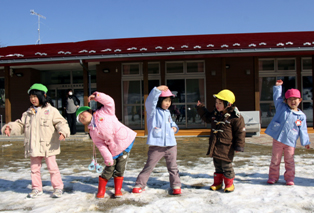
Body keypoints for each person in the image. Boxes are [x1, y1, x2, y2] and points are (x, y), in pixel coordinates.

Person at [1, 83, 70, 198]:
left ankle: (58, 187)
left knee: (52, 168)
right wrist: (10, 127)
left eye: (35, 96)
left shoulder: (51, 110)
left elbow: (61, 122)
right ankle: (37, 188)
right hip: (33, 145)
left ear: (43, 96)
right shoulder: (28, 113)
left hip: (48, 145)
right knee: (34, 169)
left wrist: (63, 132)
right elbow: (20, 124)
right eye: (31, 97)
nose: (33, 99)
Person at [76, 91, 137, 198]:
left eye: (82, 114)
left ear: (89, 111)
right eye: (79, 119)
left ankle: (118, 190)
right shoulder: (92, 132)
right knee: (109, 168)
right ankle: (101, 190)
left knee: (120, 168)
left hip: (125, 141)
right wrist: (108, 158)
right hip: (113, 148)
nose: (81, 117)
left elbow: (110, 102)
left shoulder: (104, 111)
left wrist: (97, 96)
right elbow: (101, 146)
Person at [132, 85, 181, 195]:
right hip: (157, 145)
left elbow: (170, 122)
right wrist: (157, 89)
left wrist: (175, 127)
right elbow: (150, 101)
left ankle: (176, 185)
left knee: (173, 167)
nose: (168, 103)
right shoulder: (152, 111)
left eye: (169, 101)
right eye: (165, 100)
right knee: (149, 166)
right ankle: (139, 184)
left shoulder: (167, 112)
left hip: (171, 144)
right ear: (159, 101)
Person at [196, 89, 245, 193]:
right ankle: (217, 183)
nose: (217, 105)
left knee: (226, 166)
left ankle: (229, 184)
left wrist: (239, 146)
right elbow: (206, 117)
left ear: (228, 104)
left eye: (220, 103)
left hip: (227, 146)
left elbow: (240, 132)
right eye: (216, 103)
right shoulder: (215, 114)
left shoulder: (235, 117)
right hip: (215, 144)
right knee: (217, 165)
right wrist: (201, 108)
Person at [265, 80, 310, 185]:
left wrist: (306, 142)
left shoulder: (301, 116)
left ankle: (289, 178)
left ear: (300, 100)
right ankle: (273, 177)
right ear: (286, 101)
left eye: (295, 99)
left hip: (290, 141)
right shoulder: (282, 108)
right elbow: (277, 98)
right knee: (275, 160)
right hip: (278, 139)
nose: (293, 101)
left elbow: (303, 130)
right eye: (290, 99)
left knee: (289, 161)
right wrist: (278, 87)